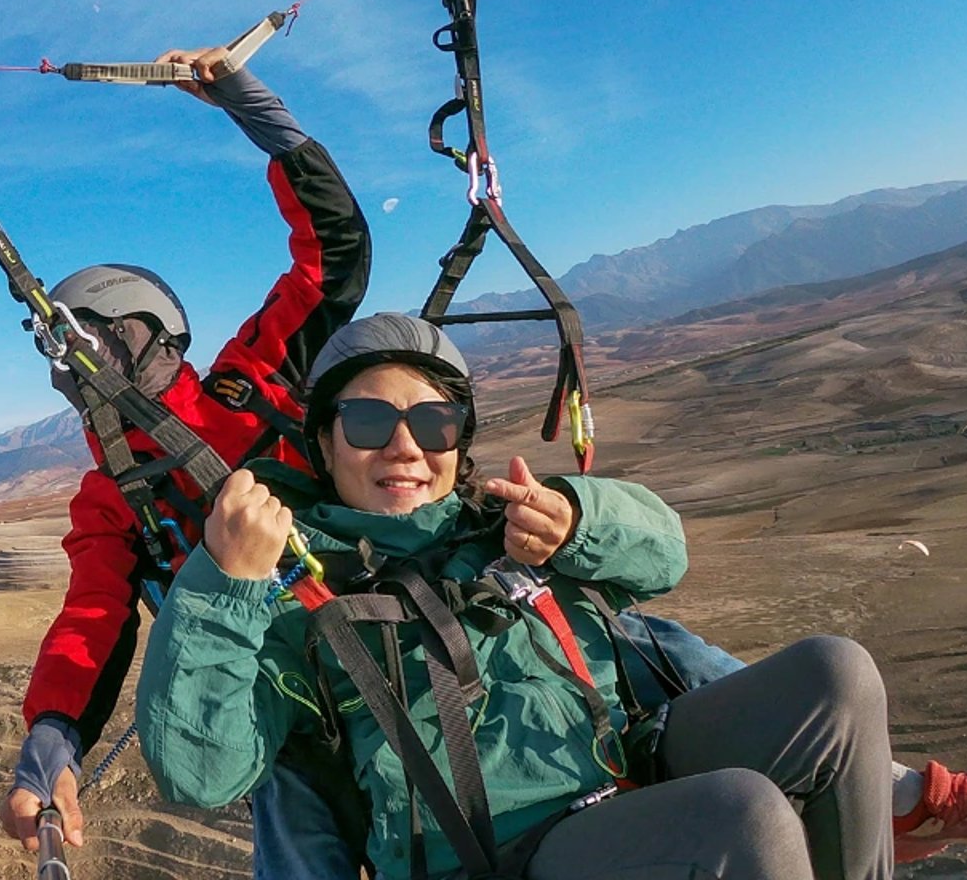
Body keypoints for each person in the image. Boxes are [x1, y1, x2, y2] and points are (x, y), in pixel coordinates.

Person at [137, 313, 899, 879]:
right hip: (499, 848)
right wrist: (221, 582)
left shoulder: (505, 525)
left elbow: (665, 555)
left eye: (433, 422)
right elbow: (201, 774)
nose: (405, 446)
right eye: (369, 421)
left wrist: (579, 519)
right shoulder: (288, 595)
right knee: (744, 815)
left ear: (459, 442)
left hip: (622, 761)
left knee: (837, 676)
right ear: (323, 443)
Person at [0, 45, 372, 869]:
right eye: (63, 353)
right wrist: (54, 733)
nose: (74, 363)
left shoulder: (252, 384)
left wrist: (255, 110)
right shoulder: (112, 497)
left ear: (140, 334)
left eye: (90, 340)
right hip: (284, 710)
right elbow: (92, 619)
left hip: (390, 632)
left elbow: (332, 256)